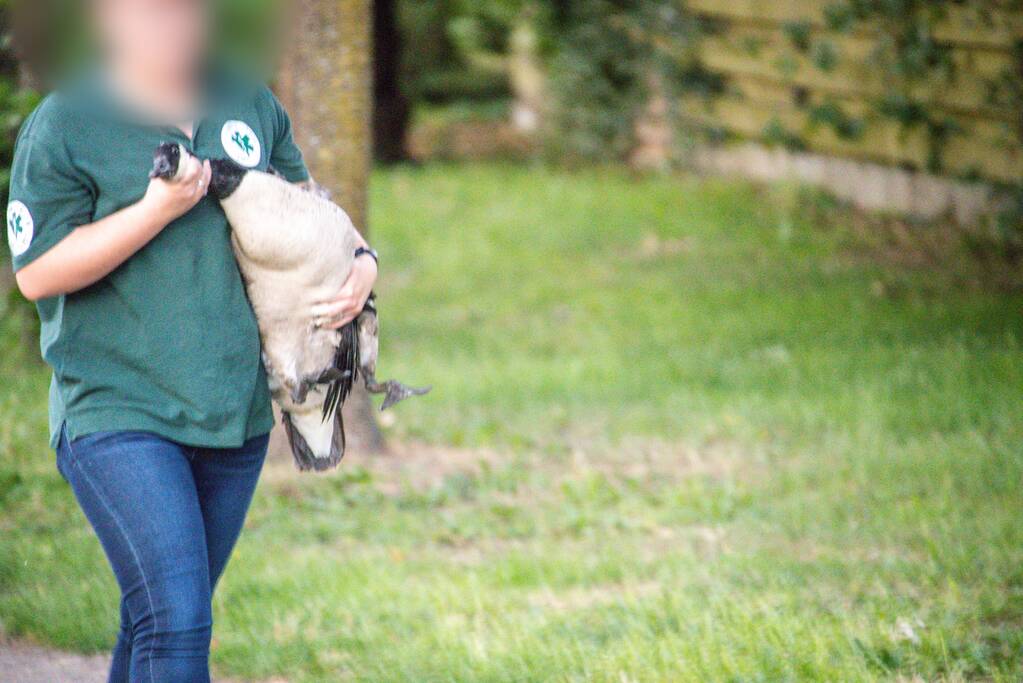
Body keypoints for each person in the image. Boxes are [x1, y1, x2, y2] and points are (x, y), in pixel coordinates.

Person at [6, 0, 377, 680]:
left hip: (232, 417)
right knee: (178, 624)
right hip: (116, 412)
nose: (174, 28)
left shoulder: (246, 100)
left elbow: (308, 212)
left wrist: (361, 261)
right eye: (152, 14)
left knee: (157, 618)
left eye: (187, 11)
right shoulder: (64, 126)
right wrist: (156, 211)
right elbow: (38, 272)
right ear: (107, 19)